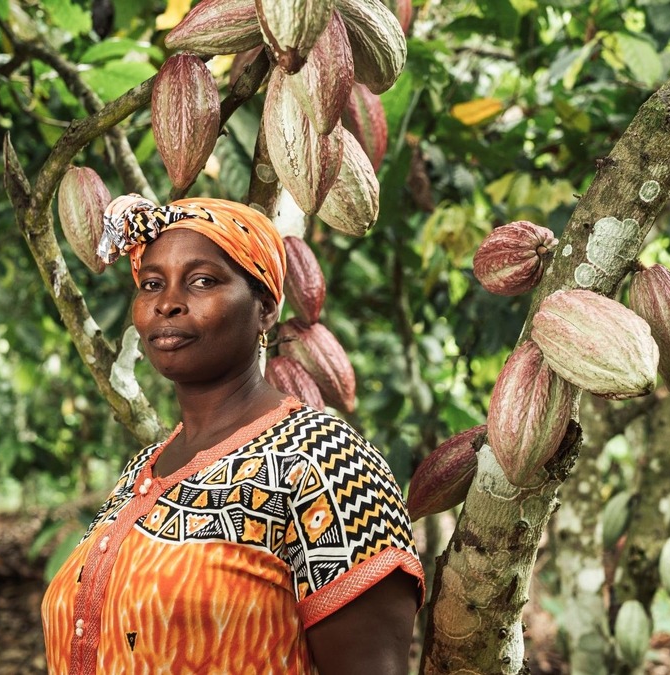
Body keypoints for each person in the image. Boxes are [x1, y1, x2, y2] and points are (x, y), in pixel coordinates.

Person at [41, 195, 424, 674]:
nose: (168, 303)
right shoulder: (144, 468)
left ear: (264, 309)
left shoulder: (324, 459)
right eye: (151, 283)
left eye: (202, 281)